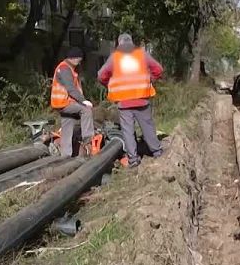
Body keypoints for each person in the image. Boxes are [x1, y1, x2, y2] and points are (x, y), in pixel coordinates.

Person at [98, 33, 164, 167]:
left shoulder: (114, 57)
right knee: (147, 127)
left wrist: (109, 85)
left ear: (119, 43)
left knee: (127, 131)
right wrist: (151, 79)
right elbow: (158, 69)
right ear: (131, 42)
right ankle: (156, 151)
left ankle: (133, 159)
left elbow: (101, 75)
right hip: (141, 98)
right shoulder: (141, 54)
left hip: (124, 101)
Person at [50, 47, 94, 157]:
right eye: (79, 60)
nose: (79, 63)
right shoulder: (65, 69)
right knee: (86, 110)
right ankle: (88, 140)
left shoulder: (67, 68)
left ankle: (66, 156)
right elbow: (71, 88)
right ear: (74, 58)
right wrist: (84, 101)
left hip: (63, 103)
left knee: (67, 126)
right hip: (64, 102)